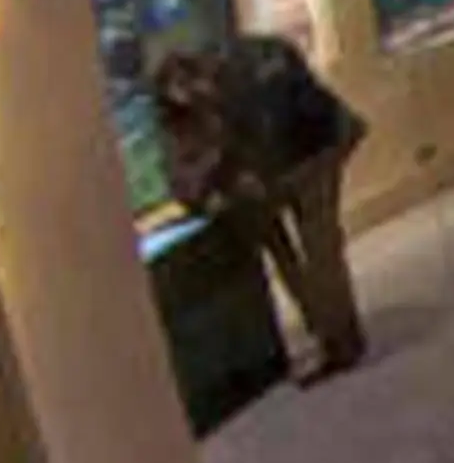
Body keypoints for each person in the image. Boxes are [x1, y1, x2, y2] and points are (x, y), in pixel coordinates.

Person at [156, 38, 370, 381]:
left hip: (303, 161)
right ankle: (332, 331)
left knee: (317, 251)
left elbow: (224, 157)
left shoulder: (221, 92)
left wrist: (226, 176)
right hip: (319, 145)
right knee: (312, 248)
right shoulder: (251, 56)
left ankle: (340, 341)